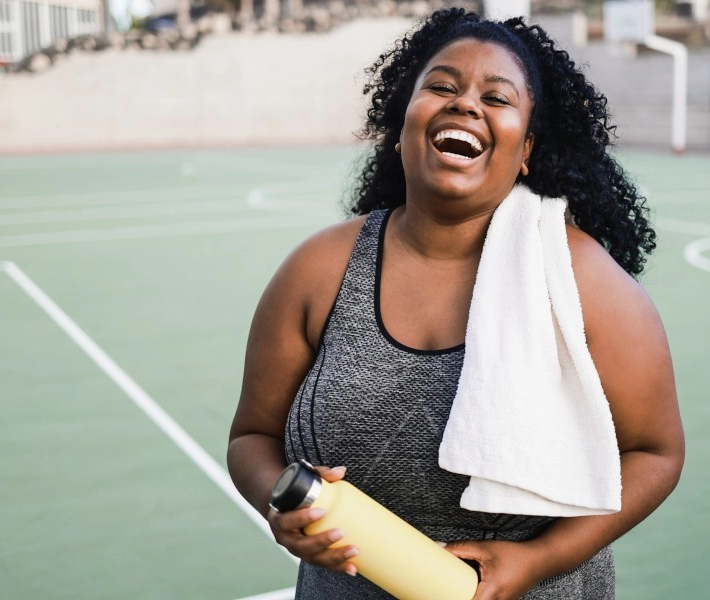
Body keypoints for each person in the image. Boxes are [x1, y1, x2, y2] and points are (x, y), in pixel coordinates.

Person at [227, 8, 684, 599]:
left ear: (527, 149)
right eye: (441, 86)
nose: (465, 104)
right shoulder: (318, 271)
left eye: (498, 98)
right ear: (401, 124)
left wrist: (537, 559)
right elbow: (251, 438)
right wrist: (279, 503)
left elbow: (656, 452)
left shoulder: (581, 280)